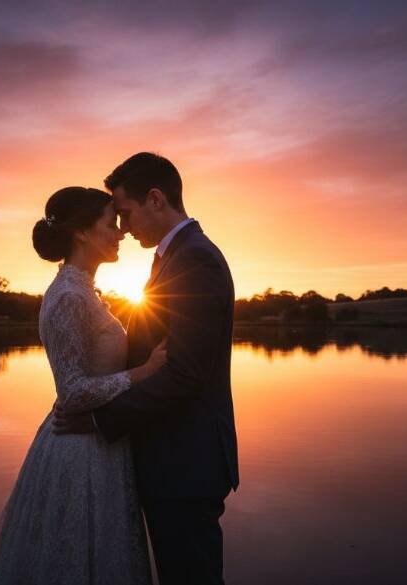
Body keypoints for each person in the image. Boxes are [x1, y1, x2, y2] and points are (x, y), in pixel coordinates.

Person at [54, 153, 239, 585]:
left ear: (155, 199)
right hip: (172, 459)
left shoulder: (194, 259)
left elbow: (186, 373)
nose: (122, 227)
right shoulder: (174, 257)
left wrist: (100, 420)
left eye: (125, 212)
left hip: (186, 464)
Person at [0, 186, 165, 585]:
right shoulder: (67, 297)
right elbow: (72, 391)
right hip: (79, 451)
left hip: (100, 442)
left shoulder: (83, 292)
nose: (120, 233)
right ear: (81, 232)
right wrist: (141, 374)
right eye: (110, 224)